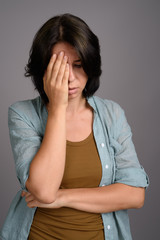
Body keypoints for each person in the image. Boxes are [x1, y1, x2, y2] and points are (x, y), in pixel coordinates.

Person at [0, 13, 149, 240]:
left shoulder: (112, 114)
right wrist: (58, 108)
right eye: (58, 67)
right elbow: (43, 190)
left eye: (78, 65)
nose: (69, 77)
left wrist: (62, 198)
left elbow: (134, 195)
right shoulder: (22, 114)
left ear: (90, 65)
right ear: (43, 70)